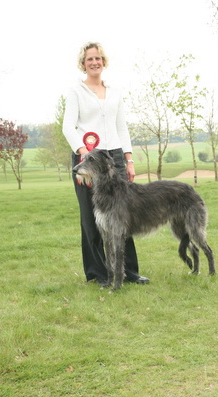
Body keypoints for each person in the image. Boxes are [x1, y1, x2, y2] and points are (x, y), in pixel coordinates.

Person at [62, 41, 149, 286]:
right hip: (87, 158)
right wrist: (83, 152)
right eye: (90, 58)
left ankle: (129, 272)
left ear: (104, 61)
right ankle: (99, 273)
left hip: (115, 158)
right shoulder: (76, 91)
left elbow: (121, 126)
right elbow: (68, 126)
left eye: (98, 58)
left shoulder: (115, 91)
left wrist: (129, 159)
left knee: (124, 215)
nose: (94, 62)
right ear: (83, 63)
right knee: (91, 219)